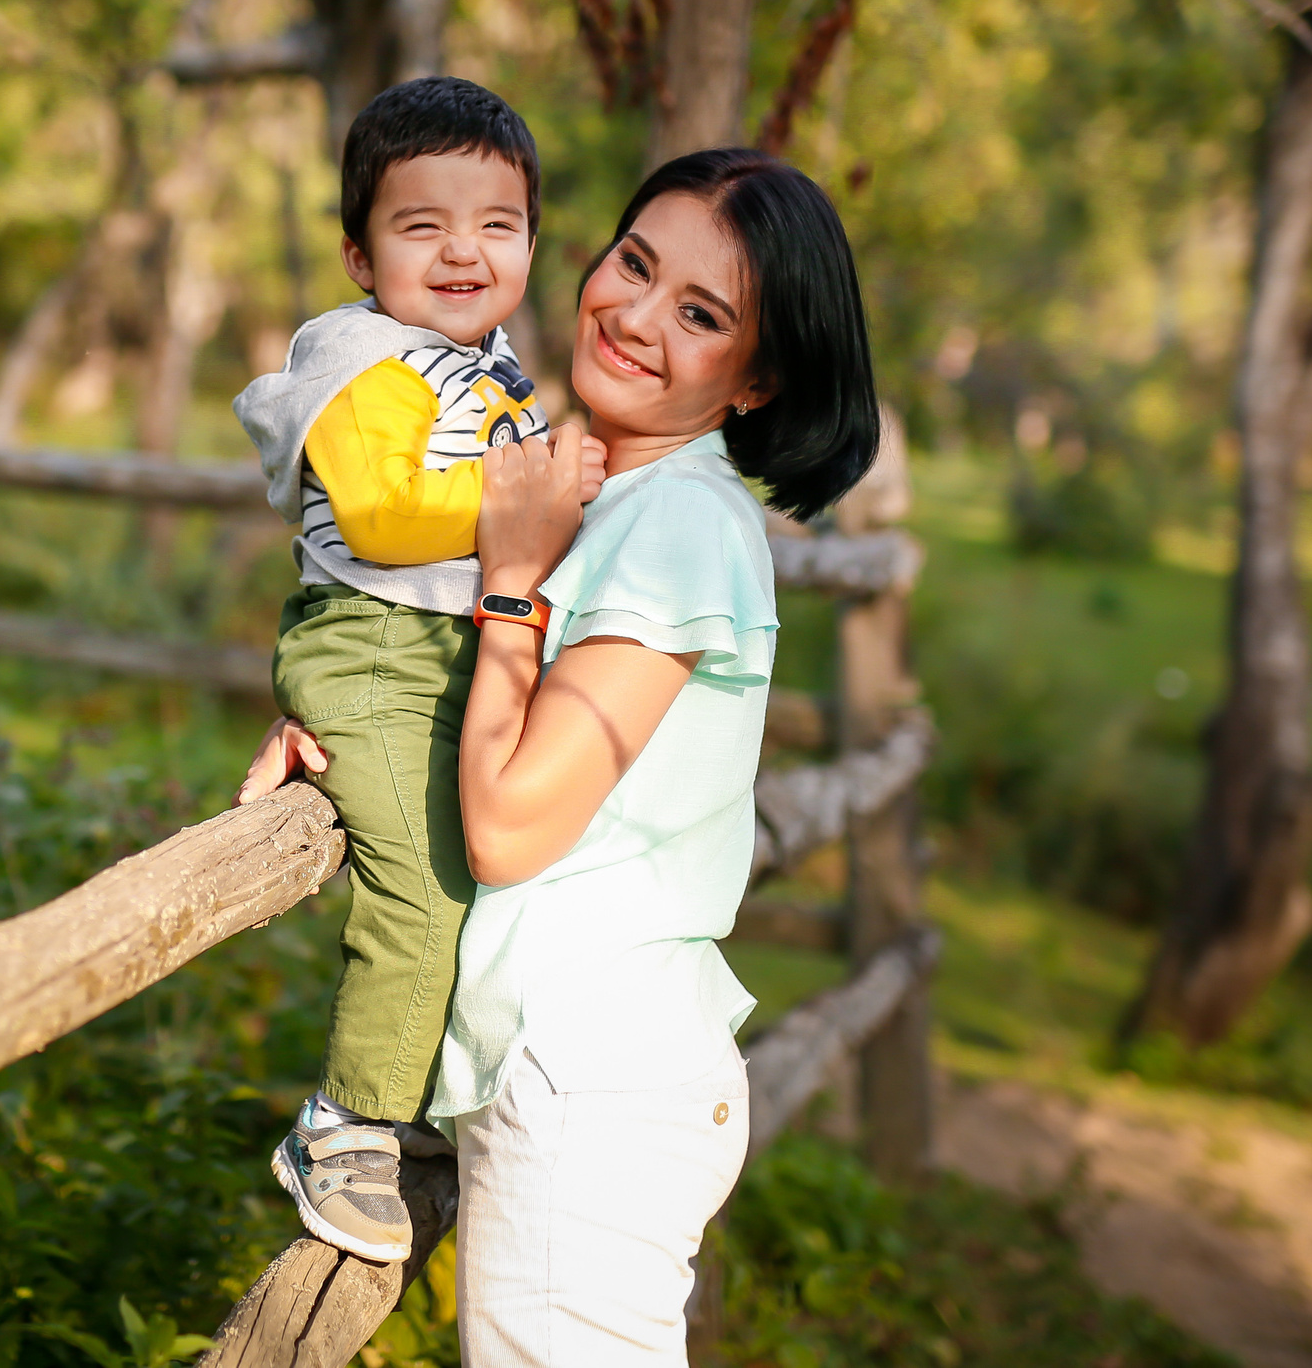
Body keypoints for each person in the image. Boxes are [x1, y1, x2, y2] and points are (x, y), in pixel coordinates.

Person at [245, 149, 881, 1362]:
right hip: (565, 1066)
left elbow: (508, 825)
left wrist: (511, 581)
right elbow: (478, 701)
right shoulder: (605, 494)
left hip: (592, 1090)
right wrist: (355, 723)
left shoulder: (681, 523)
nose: (636, 317)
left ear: (757, 380)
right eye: (633, 264)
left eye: (700, 315)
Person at [230, 76, 605, 1263]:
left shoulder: (489, 366)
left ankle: (430, 1100)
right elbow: (389, 520)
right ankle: (346, 1122)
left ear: (532, 244)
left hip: (460, 656)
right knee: (423, 889)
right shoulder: (353, 356)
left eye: (496, 225)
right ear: (358, 253)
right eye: (420, 225)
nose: (462, 251)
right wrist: (531, 501)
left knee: (495, 870)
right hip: (376, 656)